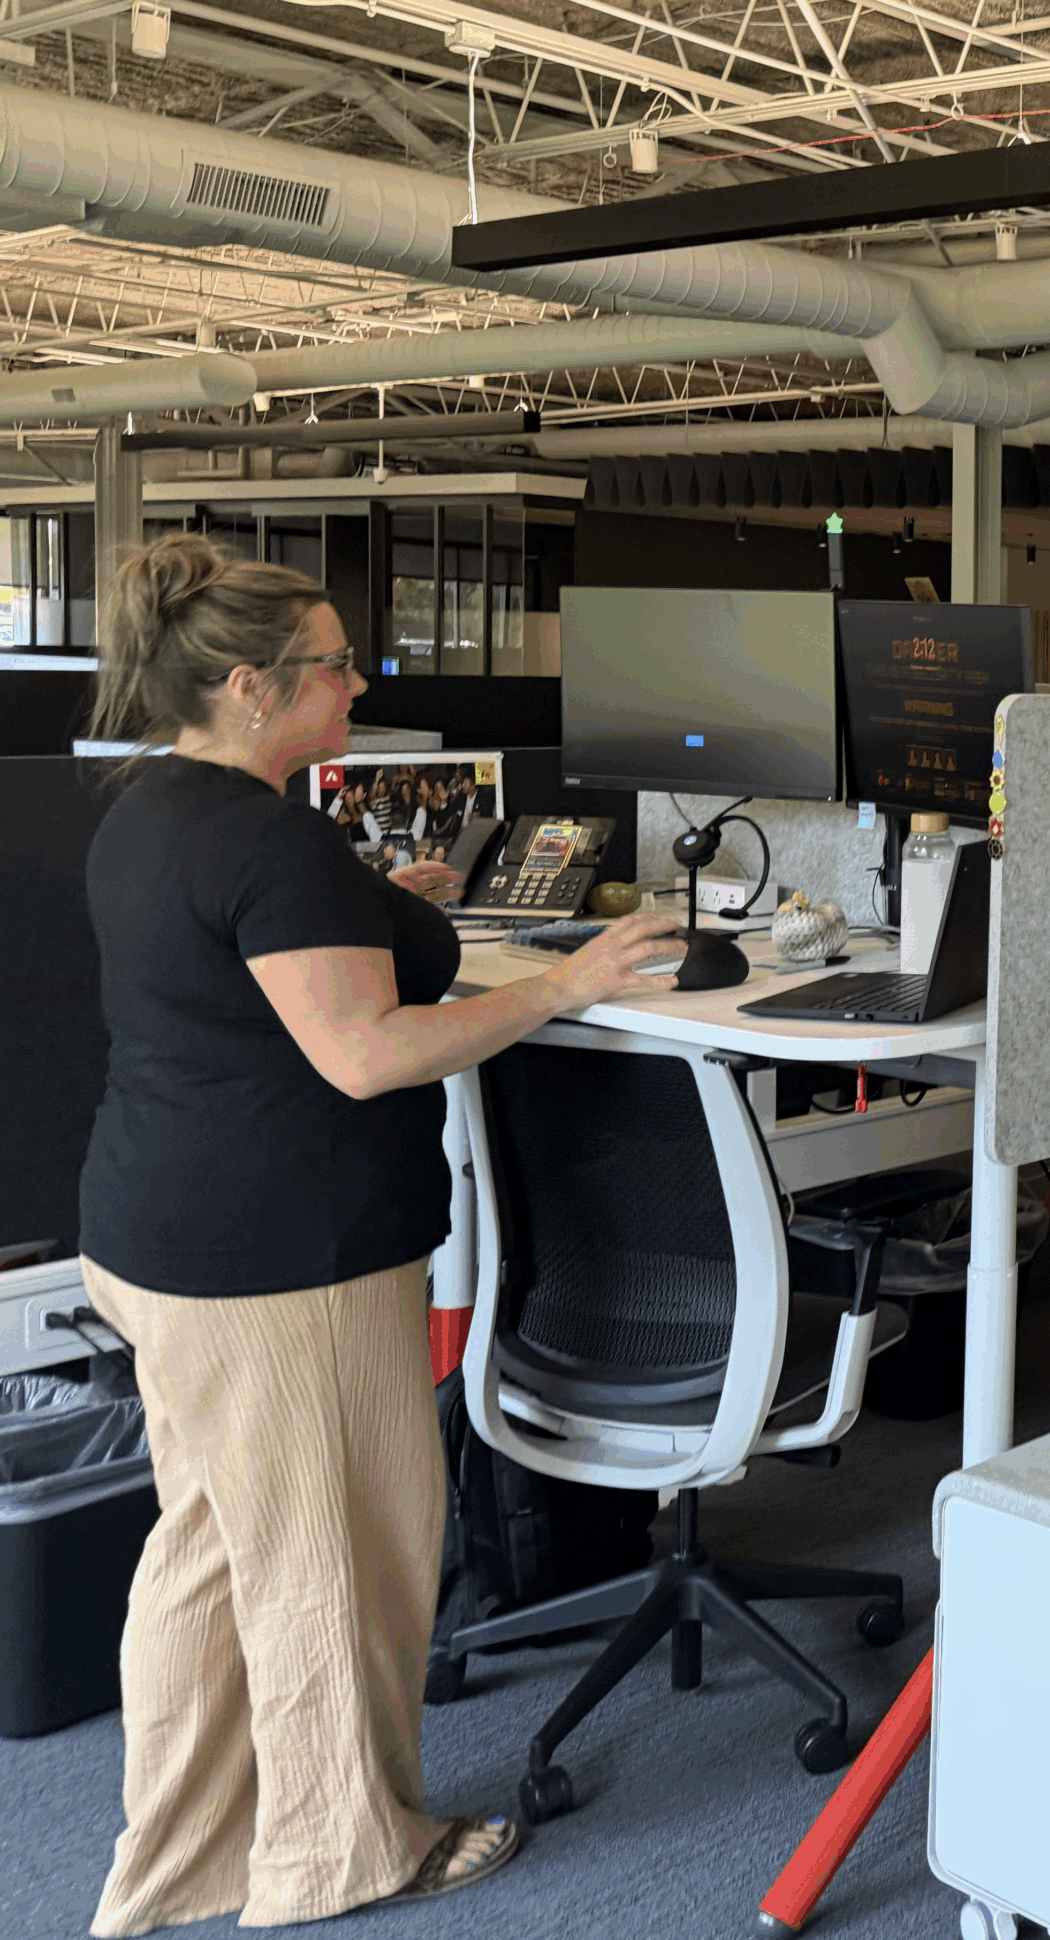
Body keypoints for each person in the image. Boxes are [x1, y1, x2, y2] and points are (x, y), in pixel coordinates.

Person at [76, 535, 681, 1938]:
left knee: (216, 1551)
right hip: (282, 1263)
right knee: (335, 1561)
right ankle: (340, 1856)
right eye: (336, 665)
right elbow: (364, 1056)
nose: (359, 682)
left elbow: (250, 979)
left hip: (162, 1240)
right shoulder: (264, 840)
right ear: (246, 686)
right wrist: (567, 983)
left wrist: (377, 913)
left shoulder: (148, 810)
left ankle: (182, 1858)